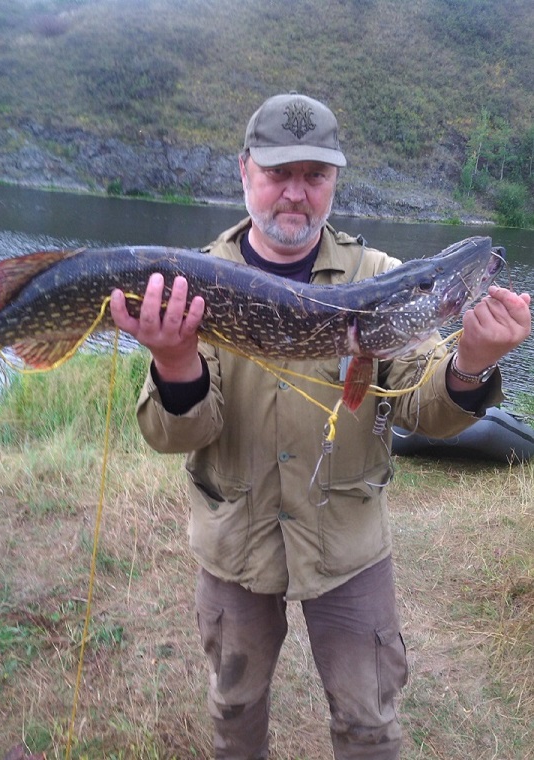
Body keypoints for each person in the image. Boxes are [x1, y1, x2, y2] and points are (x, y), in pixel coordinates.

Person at [110, 93, 531, 759]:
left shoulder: (382, 278)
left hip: (347, 545)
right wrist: (175, 362)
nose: (296, 193)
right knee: (234, 713)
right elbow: (173, 434)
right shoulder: (192, 282)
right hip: (236, 544)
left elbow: (425, 408)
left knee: (370, 724)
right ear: (244, 170)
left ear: (335, 180)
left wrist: (471, 364)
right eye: (279, 173)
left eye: (315, 175)